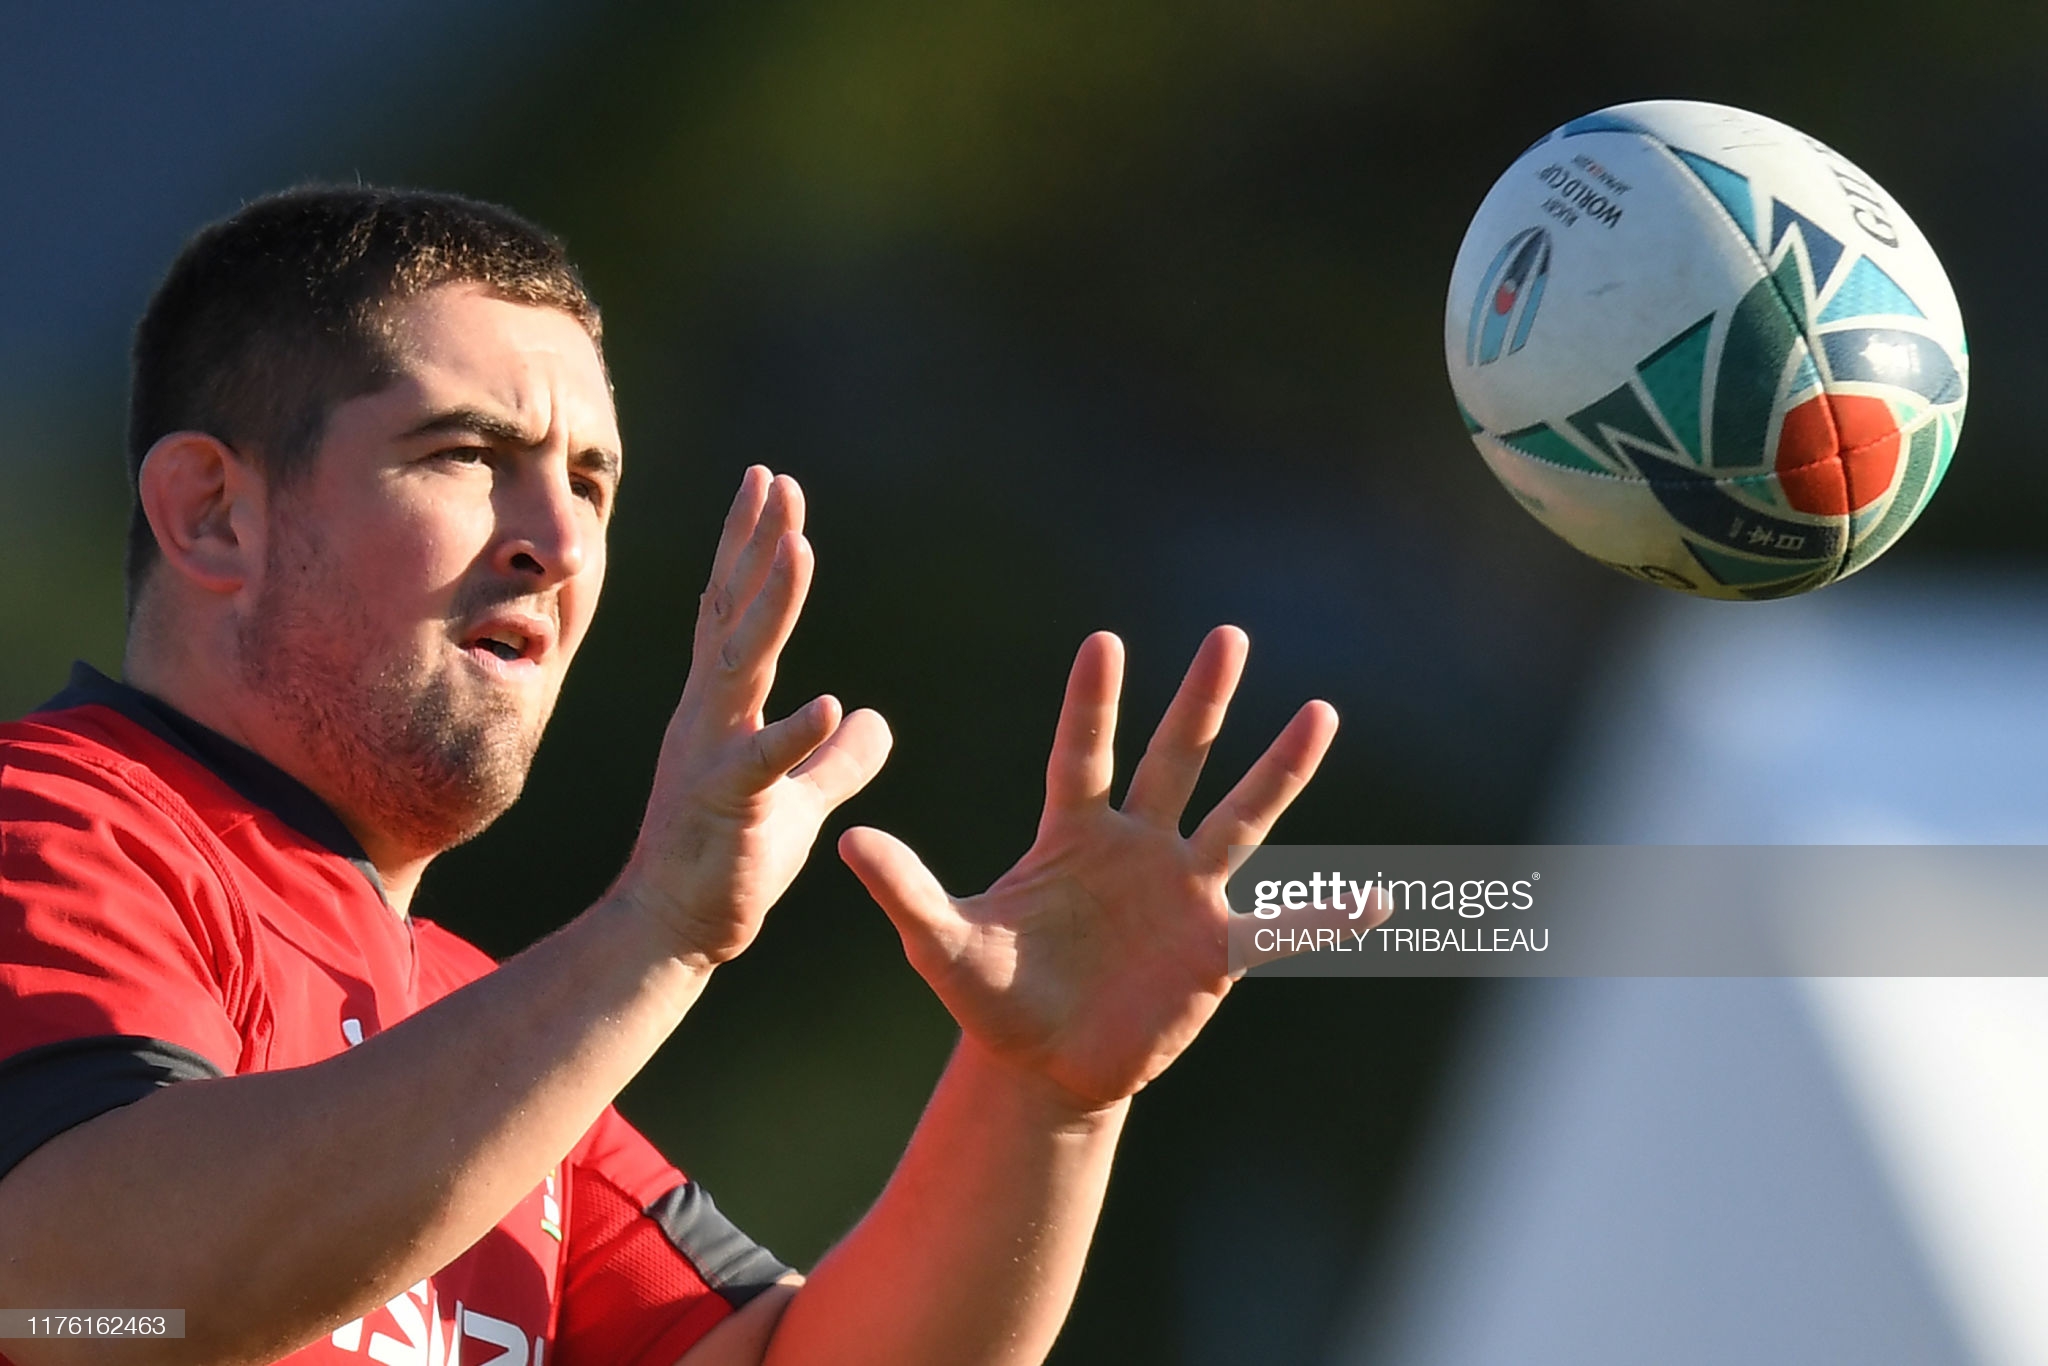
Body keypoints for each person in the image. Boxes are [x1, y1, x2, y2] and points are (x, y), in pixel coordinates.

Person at [0, 187, 1340, 1366]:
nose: (556, 541)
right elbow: (94, 1300)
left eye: (592, 482)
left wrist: (1043, 1096)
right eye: (468, 454)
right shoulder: (53, 821)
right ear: (212, 513)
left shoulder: (484, 1026)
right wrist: (654, 933)